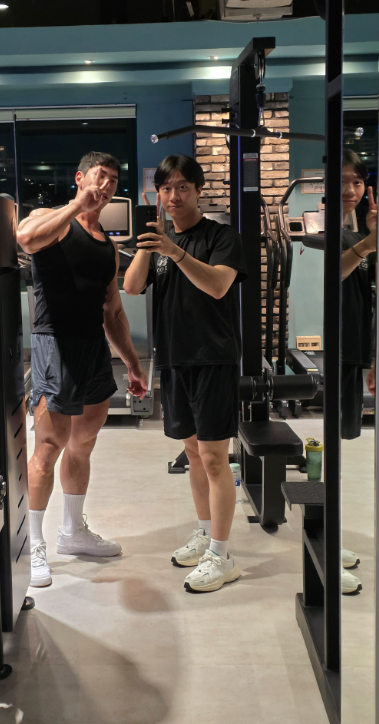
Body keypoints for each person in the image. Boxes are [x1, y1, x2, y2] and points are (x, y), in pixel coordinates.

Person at [17, 151, 148, 588]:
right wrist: (77, 205)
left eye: (113, 180)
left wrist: (132, 364)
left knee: (83, 443)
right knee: (48, 446)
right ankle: (33, 543)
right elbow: (25, 238)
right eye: (100, 176)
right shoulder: (52, 219)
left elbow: (113, 311)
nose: (106, 186)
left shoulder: (108, 247)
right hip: (54, 343)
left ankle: (72, 532)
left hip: (93, 349)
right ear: (80, 177)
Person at [124, 154, 247, 593]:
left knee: (214, 457)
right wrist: (150, 244)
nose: (173, 196)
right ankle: (206, 533)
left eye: (182, 187)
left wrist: (175, 252)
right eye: (166, 188)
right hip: (175, 359)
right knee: (193, 454)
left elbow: (217, 285)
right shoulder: (159, 242)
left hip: (213, 359)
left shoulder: (221, 236)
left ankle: (222, 555)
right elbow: (131, 286)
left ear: (198, 191)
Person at [340, 149, 377, 439]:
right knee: (334, 432)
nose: (350, 190)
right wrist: (368, 244)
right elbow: (334, 273)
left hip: (354, 344)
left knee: (347, 434)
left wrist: (376, 237)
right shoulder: (321, 231)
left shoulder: (359, 236)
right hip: (337, 346)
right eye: (341, 181)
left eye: (357, 182)